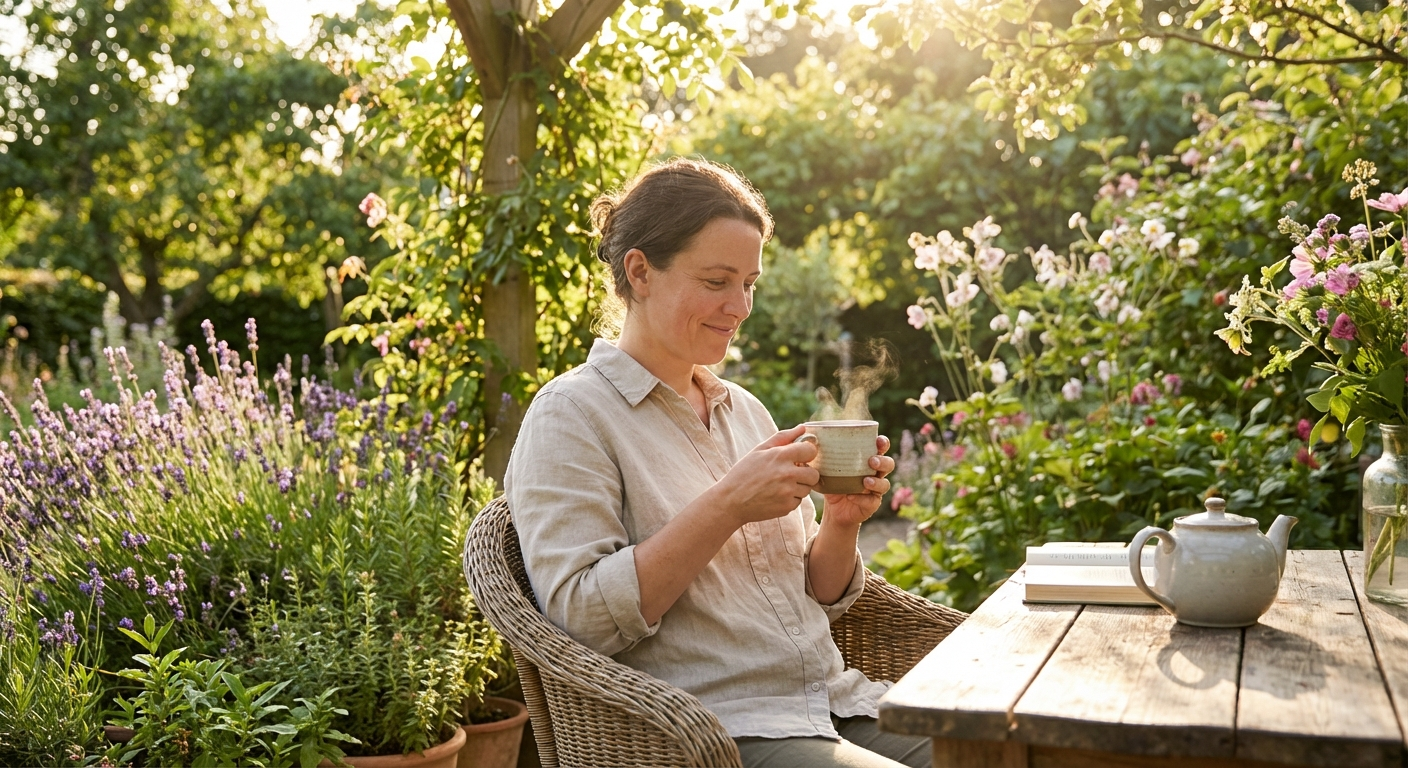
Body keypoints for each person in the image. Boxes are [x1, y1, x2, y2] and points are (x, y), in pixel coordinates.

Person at [504, 157, 928, 768]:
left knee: (1017, 750)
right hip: (712, 734)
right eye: (716, 281)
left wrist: (841, 521)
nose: (741, 305)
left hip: (835, 702)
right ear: (640, 272)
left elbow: (817, 593)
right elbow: (581, 618)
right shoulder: (571, 415)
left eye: (749, 283)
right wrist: (728, 505)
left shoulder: (744, 412)